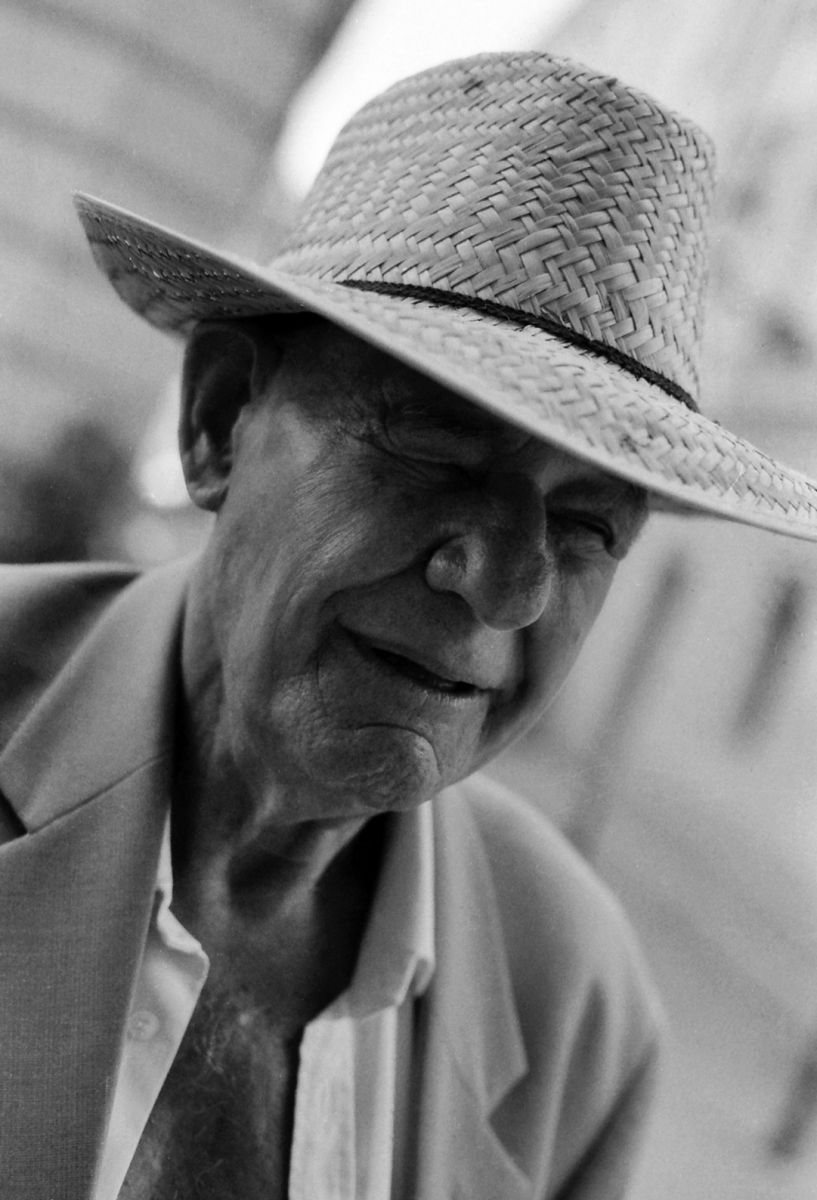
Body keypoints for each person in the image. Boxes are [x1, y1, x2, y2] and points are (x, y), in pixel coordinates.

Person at [2, 51, 817, 1200]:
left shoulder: (575, 1009)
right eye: (432, 449)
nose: (508, 590)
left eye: (588, 526)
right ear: (221, 422)